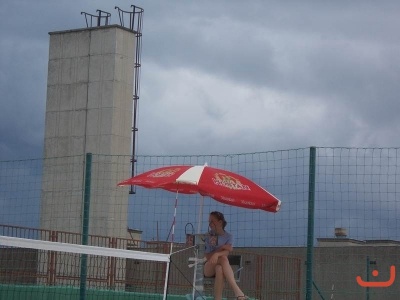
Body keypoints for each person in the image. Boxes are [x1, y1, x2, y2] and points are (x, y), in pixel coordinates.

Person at [203, 211, 247, 300]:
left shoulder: (228, 236)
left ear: (220, 222)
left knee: (219, 268)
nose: (210, 223)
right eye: (209, 221)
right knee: (223, 258)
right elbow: (208, 257)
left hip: (220, 266)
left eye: (212, 221)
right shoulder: (208, 236)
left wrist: (218, 253)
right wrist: (220, 250)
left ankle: (218, 298)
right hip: (208, 266)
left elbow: (226, 252)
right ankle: (237, 291)